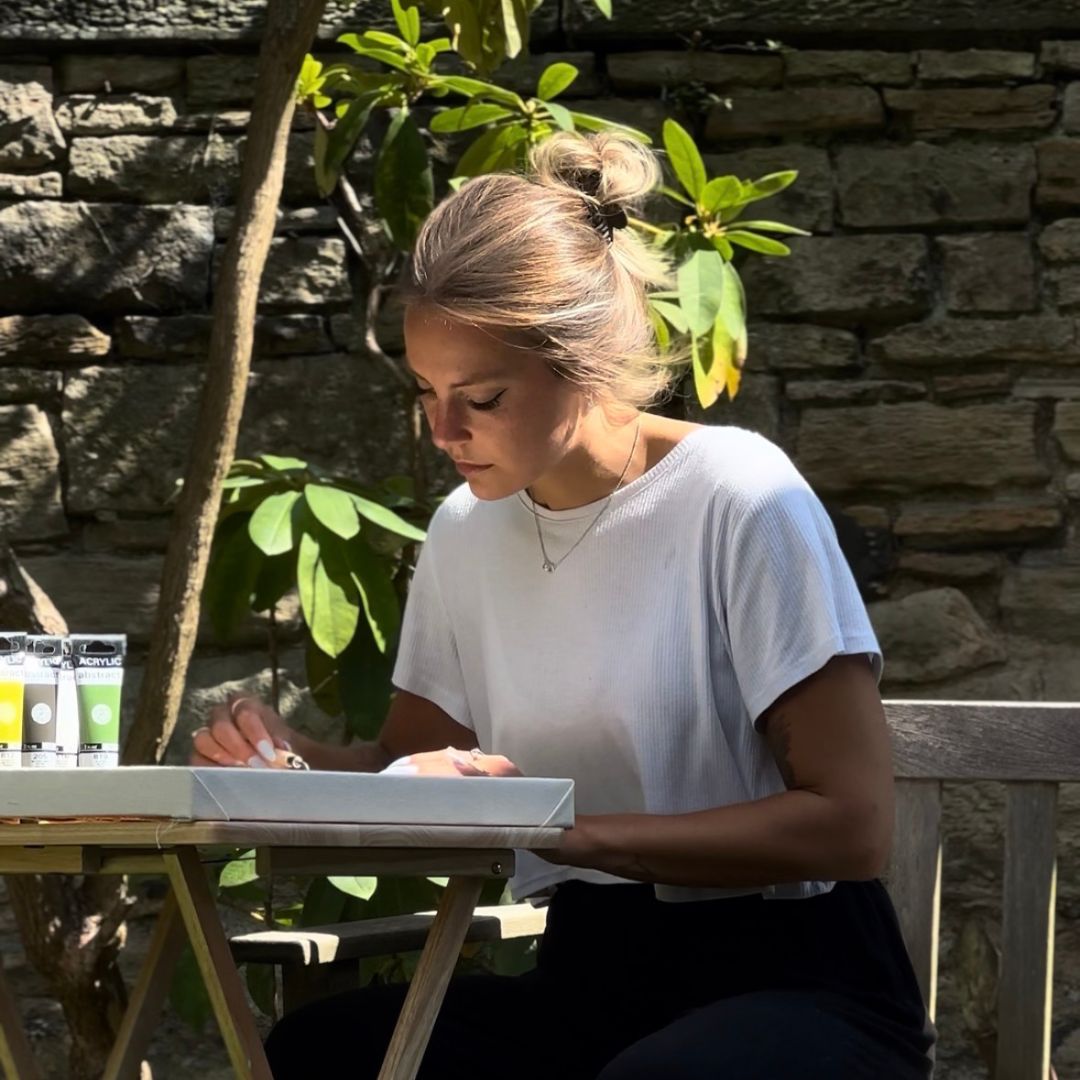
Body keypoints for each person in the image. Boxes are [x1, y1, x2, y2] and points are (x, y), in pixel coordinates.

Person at [193, 131, 935, 1078]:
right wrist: (280, 762)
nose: (443, 430)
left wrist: (560, 829)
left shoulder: (740, 497)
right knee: (323, 1052)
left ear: (582, 362)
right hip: (591, 983)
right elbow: (398, 761)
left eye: (483, 396)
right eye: (426, 391)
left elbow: (853, 823)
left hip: (801, 985)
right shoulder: (467, 528)